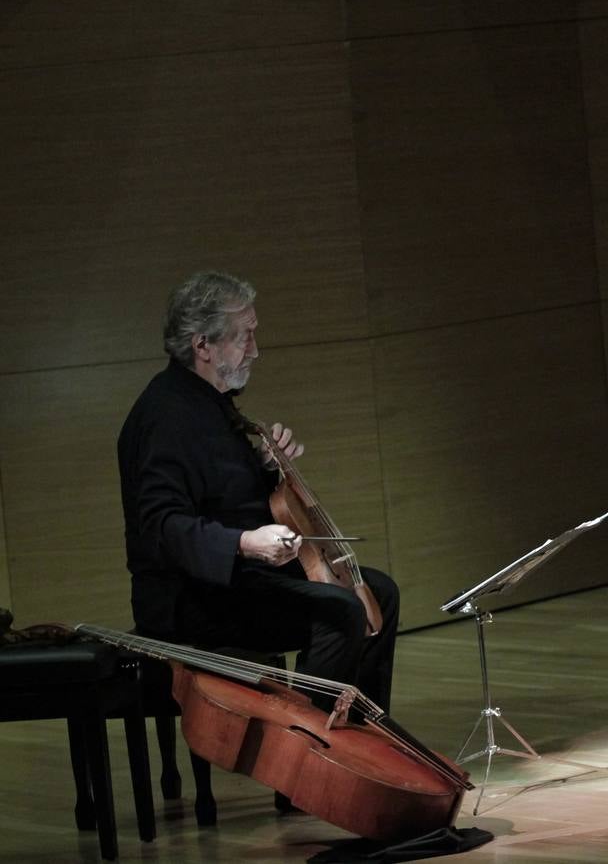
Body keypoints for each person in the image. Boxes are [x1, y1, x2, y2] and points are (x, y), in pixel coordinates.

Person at [118, 272, 399, 712]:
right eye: (244, 337)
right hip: (190, 596)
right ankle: (305, 762)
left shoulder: (210, 402)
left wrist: (268, 468)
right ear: (203, 346)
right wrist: (246, 543)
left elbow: (226, 495)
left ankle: (363, 736)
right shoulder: (165, 415)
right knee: (338, 610)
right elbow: (162, 525)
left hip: (237, 581)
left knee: (377, 593)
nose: (255, 349)